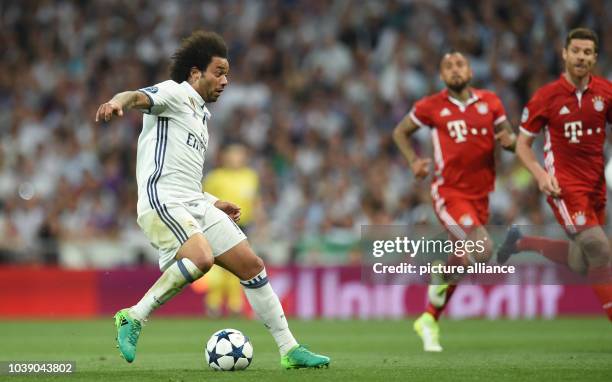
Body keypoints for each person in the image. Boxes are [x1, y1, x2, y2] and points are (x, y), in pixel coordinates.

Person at [95, 30, 330, 368]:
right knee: (201, 258)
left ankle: (289, 349)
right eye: (219, 72)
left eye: (227, 74)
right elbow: (134, 95)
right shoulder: (174, 93)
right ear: (195, 73)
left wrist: (211, 200)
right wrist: (119, 102)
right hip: (162, 199)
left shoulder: (202, 117)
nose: (225, 80)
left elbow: (184, 173)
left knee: (252, 265)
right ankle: (133, 316)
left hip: (193, 201)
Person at [393, 51, 516, 351]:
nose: (455, 70)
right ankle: (439, 282)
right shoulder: (431, 106)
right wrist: (413, 162)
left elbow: (508, 136)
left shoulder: (491, 102)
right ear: (442, 76)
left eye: (460, 64)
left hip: (481, 196)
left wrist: (511, 143)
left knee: (462, 260)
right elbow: (400, 132)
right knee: (483, 249)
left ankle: (429, 318)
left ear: (471, 70)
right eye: (448, 66)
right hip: (449, 193)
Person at [498, 28, 612, 321]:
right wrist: (539, 174)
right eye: (576, 50)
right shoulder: (545, 97)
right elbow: (523, 143)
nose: (581, 57)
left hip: (597, 186)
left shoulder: (605, 92)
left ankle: (521, 242)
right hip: (565, 187)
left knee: (582, 261)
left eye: (588, 52)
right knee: (599, 249)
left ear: (595, 57)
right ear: (564, 53)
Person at [201, 143, 261, 317]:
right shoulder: (215, 177)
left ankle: (236, 306)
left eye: (239, 154)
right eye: (233, 154)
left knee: (241, 266)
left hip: (244, 225)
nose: (236, 158)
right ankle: (214, 303)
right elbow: (204, 201)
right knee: (217, 266)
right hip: (219, 225)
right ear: (225, 157)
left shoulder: (250, 176)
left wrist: (260, 220)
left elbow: (255, 201)